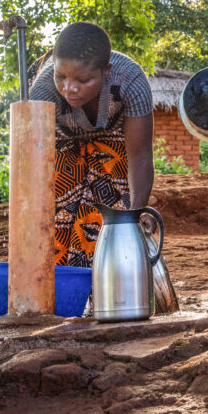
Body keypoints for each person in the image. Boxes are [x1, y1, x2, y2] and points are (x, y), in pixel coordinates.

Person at [28, 22, 155, 267]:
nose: (69, 88)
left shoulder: (131, 81)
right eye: (61, 76)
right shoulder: (42, 92)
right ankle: (62, 290)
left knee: (118, 224)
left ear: (106, 70)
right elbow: (33, 163)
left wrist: (136, 213)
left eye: (83, 80)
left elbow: (140, 156)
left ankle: (110, 282)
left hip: (113, 147)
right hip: (61, 146)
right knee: (54, 225)